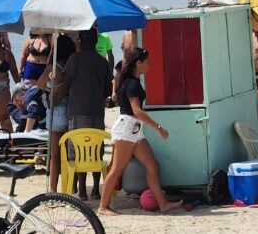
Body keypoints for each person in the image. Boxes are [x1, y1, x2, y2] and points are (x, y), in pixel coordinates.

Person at [98, 48, 182, 216]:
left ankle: (163, 204)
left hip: (134, 129)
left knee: (152, 165)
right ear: (138, 63)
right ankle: (103, 206)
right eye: (146, 62)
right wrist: (158, 128)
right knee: (117, 169)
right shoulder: (132, 83)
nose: (149, 65)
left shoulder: (131, 80)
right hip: (127, 128)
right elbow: (136, 111)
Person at [62, 28, 112, 200]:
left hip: (78, 111)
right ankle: (96, 190)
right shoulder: (102, 62)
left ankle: (82, 190)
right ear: (96, 41)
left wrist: (54, 95)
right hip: (97, 112)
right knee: (96, 150)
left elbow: (66, 84)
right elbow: (107, 90)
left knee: (79, 151)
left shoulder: (74, 59)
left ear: (81, 41)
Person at [36, 35, 77, 192]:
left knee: (55, 154)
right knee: (70, 152)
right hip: (72, 108)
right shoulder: (73, 65)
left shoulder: (54, 67)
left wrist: (50, 89)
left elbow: (40, 84)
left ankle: (53, 188)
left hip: (57, 109)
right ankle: (72, 187)